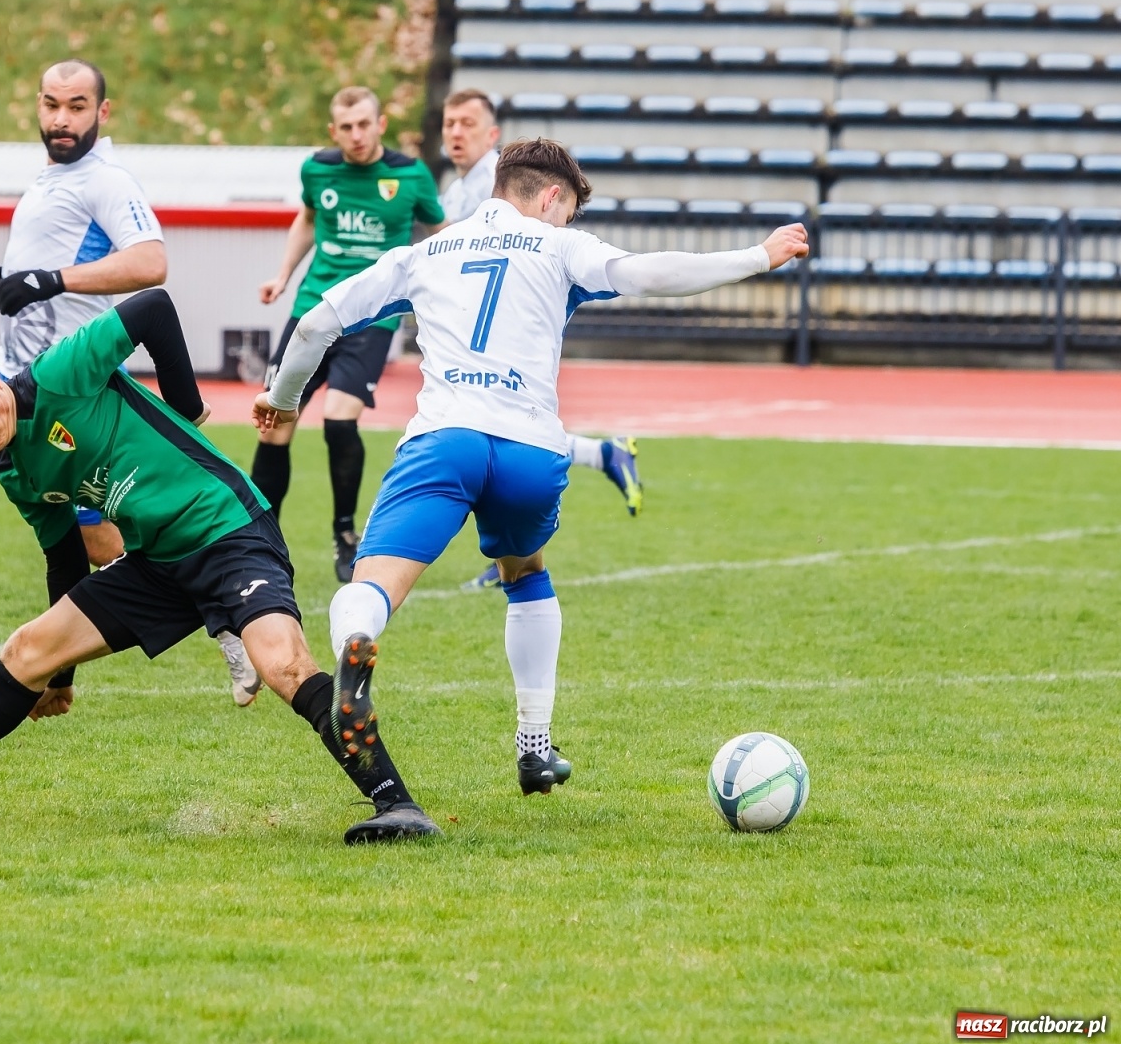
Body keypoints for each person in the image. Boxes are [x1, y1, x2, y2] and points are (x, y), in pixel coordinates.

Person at [254, 138, 809, 795]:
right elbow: (649, 273)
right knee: (526, 573)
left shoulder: (423, 254)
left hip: (445, 440)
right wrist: (758, 256)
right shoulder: (557, 247)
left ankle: (357, 648)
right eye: (567, 210)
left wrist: (283, 400)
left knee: (374, 584)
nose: (567, 223)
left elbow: (317, 323)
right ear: (550, 197)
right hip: (530, 452)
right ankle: (534, 749)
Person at [0, 290, 441, 844]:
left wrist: (188, 407)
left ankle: (397, 805)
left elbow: (153, 307)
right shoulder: (17, 470)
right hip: (156, 562)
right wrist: (59, 676)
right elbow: (62, 557)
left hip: (227, 529)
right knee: (27, 650)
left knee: (282, 665)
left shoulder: (60, 373)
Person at [0, 60, 261, 708]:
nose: (60, 119)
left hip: (69, 395)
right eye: (50, 104)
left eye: (76, 105)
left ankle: (226, 611)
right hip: (7, 383)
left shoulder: (105, 180)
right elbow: (53, 274)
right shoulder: (54, 179)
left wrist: (49, 281)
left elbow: (151, 264)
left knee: (108, 545)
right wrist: (13, 285)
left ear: (103, 111)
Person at [438, 89, 644, 593]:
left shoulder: (492, 189)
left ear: (492, 136)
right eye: (448, 123)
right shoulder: (456, 185)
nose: (454, 133)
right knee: (494, 424)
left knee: (487, 424)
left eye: (467, 123)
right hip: (479, 335)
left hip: (501, 333)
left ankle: (508, 551)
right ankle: (605, 455)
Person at [251, 86, 446, 583]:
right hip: (311, 312)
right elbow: (308, 219)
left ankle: (344, 534)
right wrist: (282, 275)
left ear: (381, 125)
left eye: (365, 124)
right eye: (346, 127)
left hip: (371, 318)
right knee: (275, 423)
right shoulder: (317, 169)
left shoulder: (409, 175)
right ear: (333, 131)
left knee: (340, 420)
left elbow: (439, 234)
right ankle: (259, 538)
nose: (356, 135)